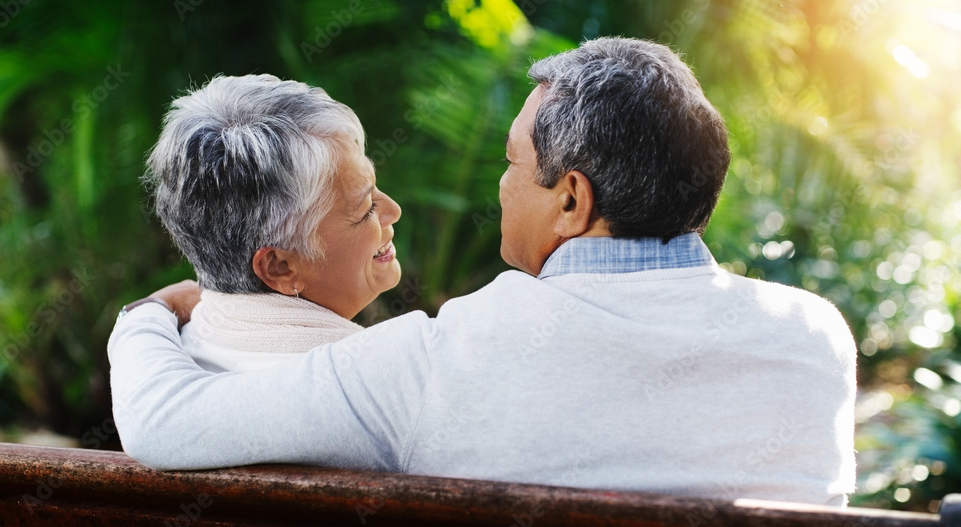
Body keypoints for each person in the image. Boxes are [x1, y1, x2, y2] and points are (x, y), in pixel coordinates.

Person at [109, 37, 856, 506]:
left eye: (512, 162)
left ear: (571, 199)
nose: (499, 185)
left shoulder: (447, 358)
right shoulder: (817, 339)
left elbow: (169, 423)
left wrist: (151, 311)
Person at [127, 74, 402, 372]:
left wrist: (144, 317)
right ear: (278, 267)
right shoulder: (378, 377)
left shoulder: (175, 354)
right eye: (366, 208)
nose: (393, 211)